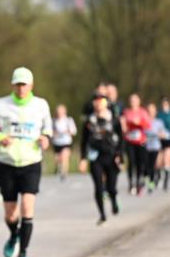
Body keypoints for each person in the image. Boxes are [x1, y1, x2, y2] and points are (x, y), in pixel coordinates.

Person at [0, 67, 53, 257]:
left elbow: (47, 127)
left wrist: (45, 138)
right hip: (7, 163)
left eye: (24, 84)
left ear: (31, 85)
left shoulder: (40, 105)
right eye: (18, 84)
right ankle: (14, 234)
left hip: (31, 162)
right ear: (13, 85)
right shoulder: (0, 105)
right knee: (11, 215)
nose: (21, 88)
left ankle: (22, 254)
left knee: (27, 209)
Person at [79, 93, 122, 224]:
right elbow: (84, 140)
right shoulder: (89, 121)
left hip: (111, 155)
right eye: (95, 102)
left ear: (105, 104)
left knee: (111, 187)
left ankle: (113, 201)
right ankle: (102, 214)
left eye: (100, 102)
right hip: (95, 156)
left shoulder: (113, 119)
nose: (97, 104)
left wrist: (120, 155)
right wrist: (83, 159)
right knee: (98, 186)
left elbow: (121, 138)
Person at [120, 93, 151, 195]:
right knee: (131, 162)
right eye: (131, 100)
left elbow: (148, 125)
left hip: (140, 141)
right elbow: (123, 125)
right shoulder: (126, 112)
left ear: (139, 101)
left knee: (139, 163)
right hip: (130, 141)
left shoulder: (143, 112)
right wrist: (125, 126)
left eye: (135, 100)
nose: (133, 102)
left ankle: (138, 182)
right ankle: (131, 183)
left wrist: (139, 123)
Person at [144, 103, 167, 192]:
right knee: (146, 164)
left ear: (155, 112)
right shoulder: (144, 121)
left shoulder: (159, 122)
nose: (150, 112)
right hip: (146, 146)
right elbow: (142, 132)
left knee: (153, 165)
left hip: (155, 146)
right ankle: (148, 178)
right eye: (149, 111)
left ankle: (152, 182)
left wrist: (160, 134)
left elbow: (163, 133)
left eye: (152, 111)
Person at [157, 97, 170, 191]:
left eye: (166, 104)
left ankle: (168, 175)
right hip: (161, 138)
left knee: (167, 156)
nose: (164, 106)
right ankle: (162, 174)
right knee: (160, 160)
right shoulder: (159, 114)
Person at [51, 104, 77, 180]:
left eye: (61, 112)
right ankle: (58, 167)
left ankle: (64, 172)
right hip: (56, 142)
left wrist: (66, 132)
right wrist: (54, 133)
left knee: (64, 157)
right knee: (57, 159)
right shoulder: (53, 120)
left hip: (66, 142)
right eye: (58, 112)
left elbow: (74, 131)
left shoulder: (68, 120)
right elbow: (50, 131)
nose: (59, 113)